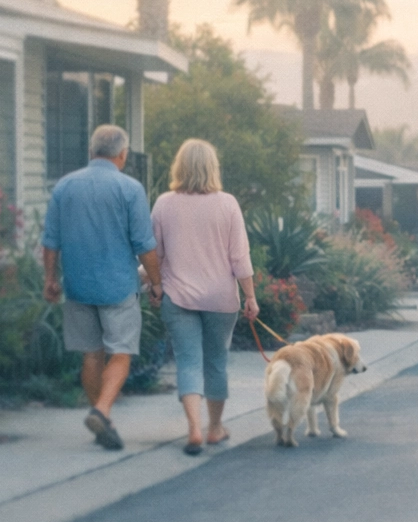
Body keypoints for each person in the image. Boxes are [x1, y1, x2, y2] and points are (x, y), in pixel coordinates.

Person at [42, 124, 161, 451]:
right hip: (118, 287)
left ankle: (101, 421)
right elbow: (144, 245)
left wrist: (50, 279)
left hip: (78, 286)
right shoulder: (130, 189)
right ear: (121, 154)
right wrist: (156, 281)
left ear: (91, 151)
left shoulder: (64, 187)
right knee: (120, 353)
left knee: (91, 355)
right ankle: (102, 410)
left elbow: (50, 241)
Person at [152, 138, 258, 455]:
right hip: (221, 299)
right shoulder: (227, 204)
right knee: (216, 362)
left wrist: (153, 286)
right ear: (212, 168)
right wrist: (250, 296)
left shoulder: (164, 204)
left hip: (178, 295)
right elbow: (239, 257)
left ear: (179, 167)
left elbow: (153, 255)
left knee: (188, 362)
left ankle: (193, 430)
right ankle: (215, 429)